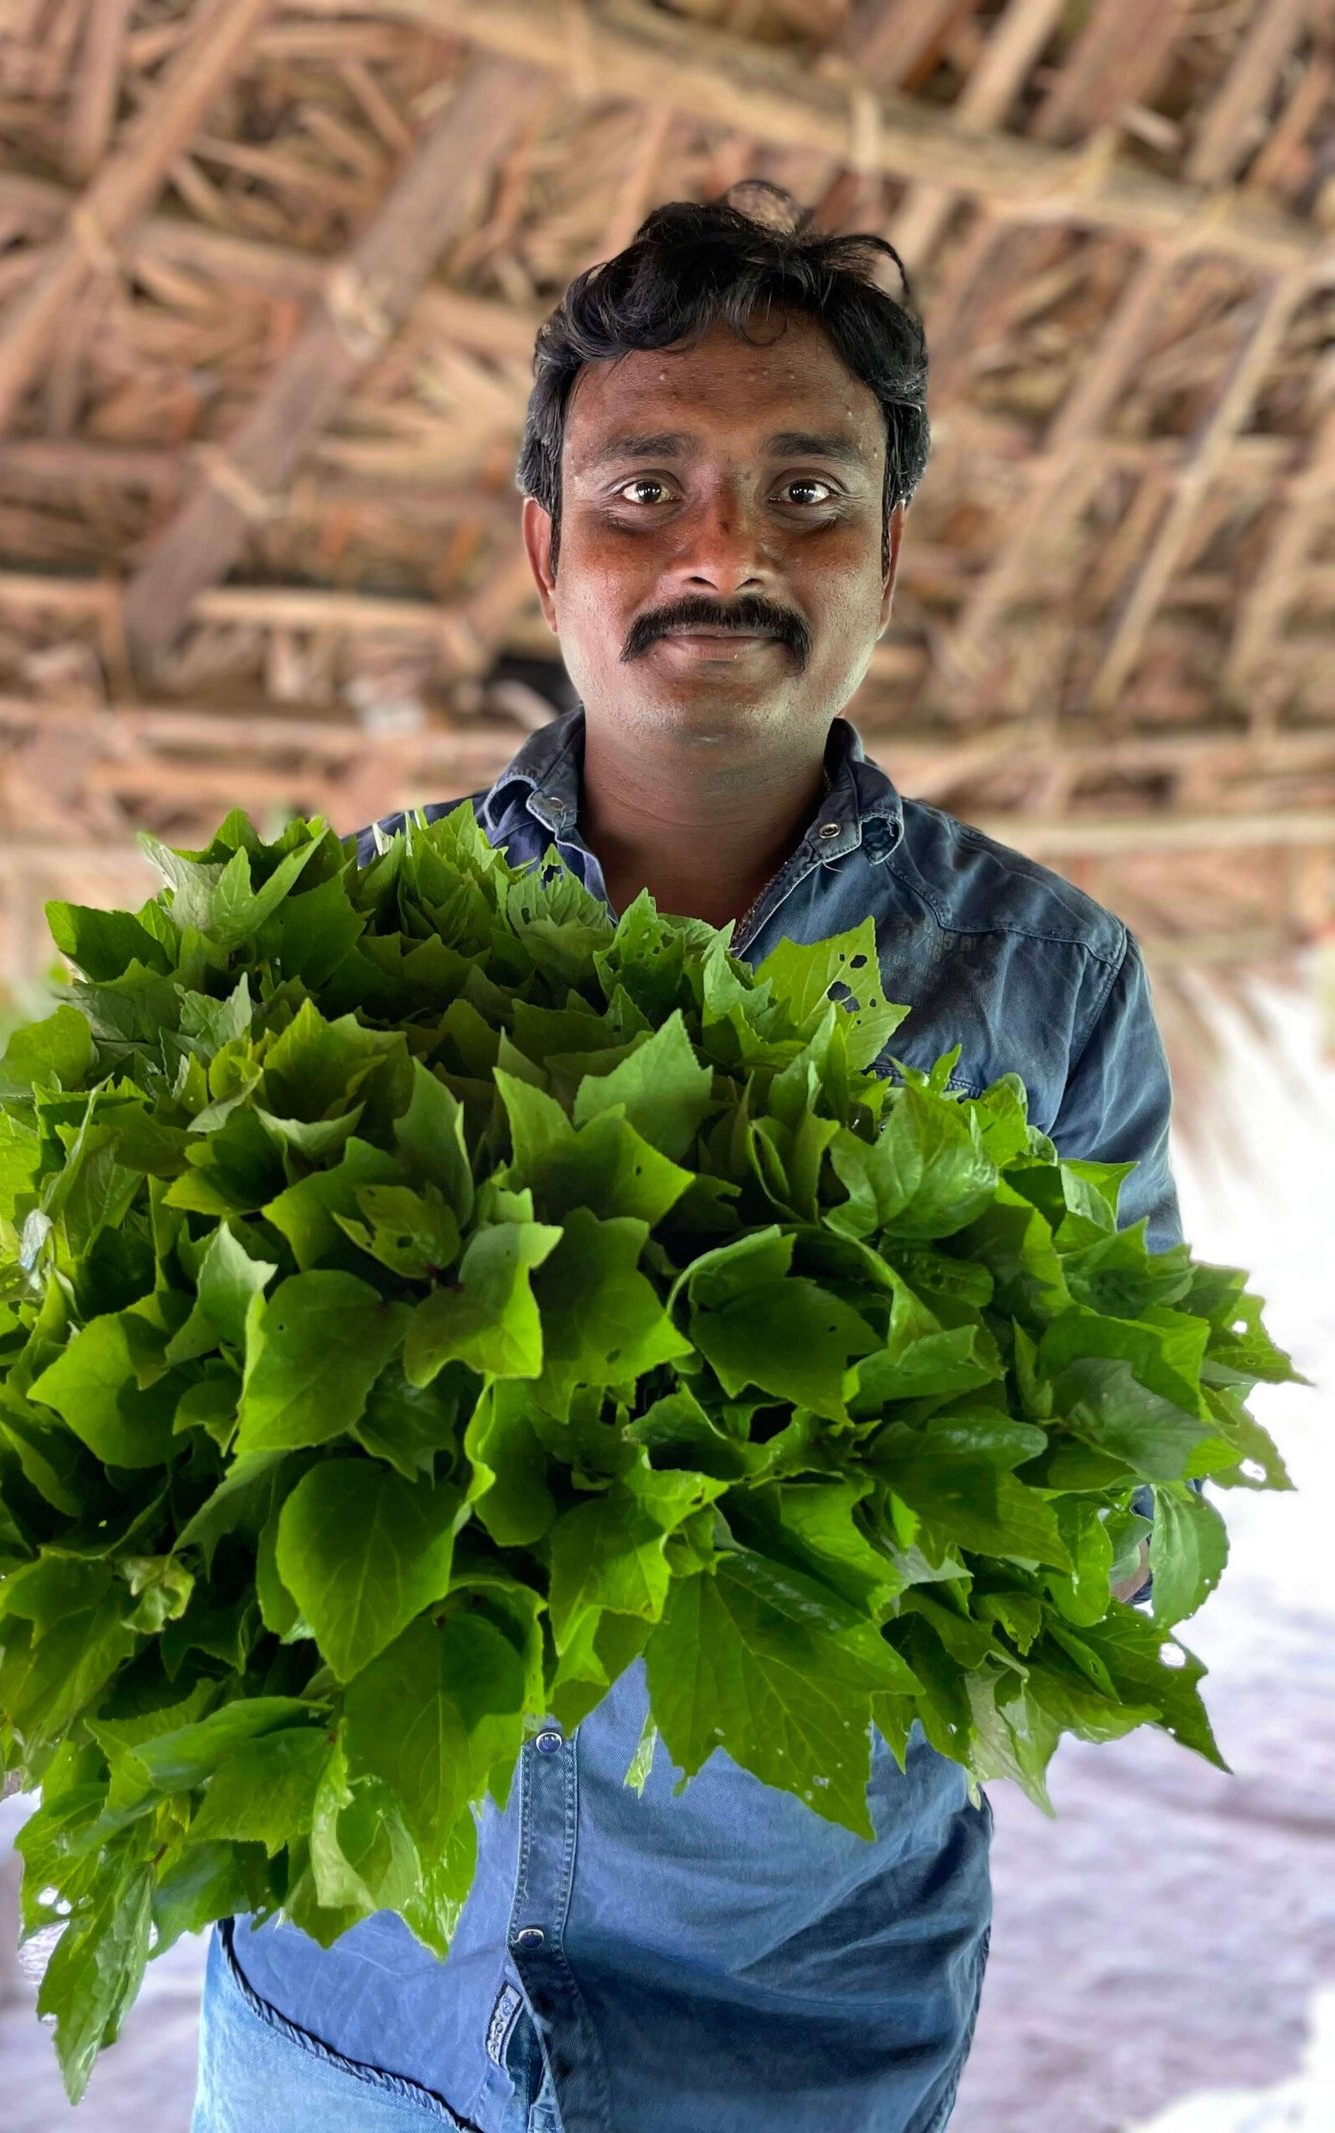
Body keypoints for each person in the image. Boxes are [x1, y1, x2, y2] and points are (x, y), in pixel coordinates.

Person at [190, 180, 1178, 2133]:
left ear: (889, 557)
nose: (720, 547)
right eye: (644, 491)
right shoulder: (347, 938)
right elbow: (197, 1423)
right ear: (545, 550)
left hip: (787, 2026)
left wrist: (893, 1475)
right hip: (343, 1997)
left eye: (802, 493)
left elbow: (1125, 1515)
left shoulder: (1046, 980)